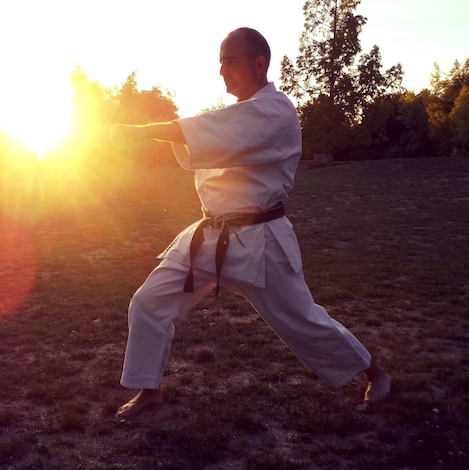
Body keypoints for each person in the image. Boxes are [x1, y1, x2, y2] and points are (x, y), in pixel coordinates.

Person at [109, 27, 391, 420]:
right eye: (220, 63)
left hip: (261, 240)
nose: (222, 71)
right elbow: (204, 137)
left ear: (260, 63)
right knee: (148, 302)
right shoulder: (237, 115)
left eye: (230, 61)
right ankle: (149, 390)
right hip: (210, 236)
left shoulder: (274, 110)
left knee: (301, 319)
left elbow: (201, 131)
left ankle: (375, 373)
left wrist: (134, 132)